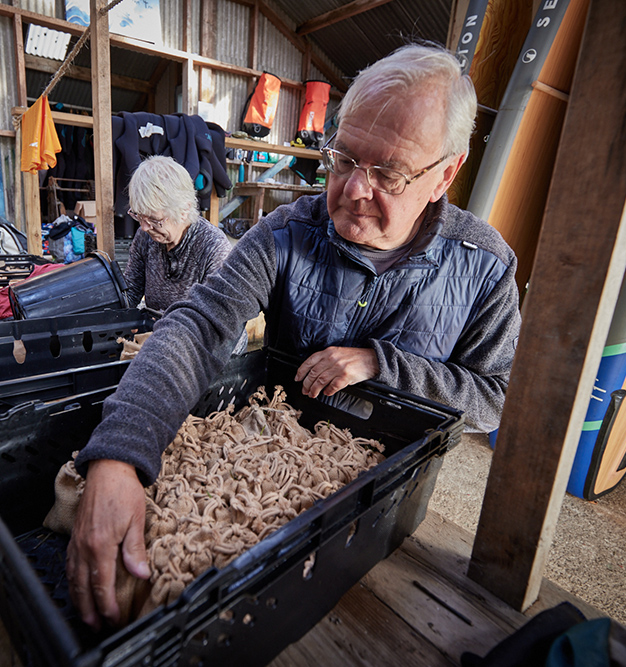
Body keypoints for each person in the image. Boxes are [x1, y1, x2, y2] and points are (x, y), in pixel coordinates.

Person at [64, 42, 523, 630]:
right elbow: (200, 325)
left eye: (389, 173)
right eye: (344, 159)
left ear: (445, 175)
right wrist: (119, 456)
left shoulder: (483, 266)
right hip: (281, 444)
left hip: (388, 506)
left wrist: (381, 364)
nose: (356, 189)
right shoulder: (287, 231)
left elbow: (491, 399)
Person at [122, 155, 234, 314]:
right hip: (158, 330)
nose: (144, 227)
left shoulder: (213, 248)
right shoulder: (145, 237)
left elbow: (217, 320)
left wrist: (164, 336)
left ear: (184, 210)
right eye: (139, 216)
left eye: (155, 219)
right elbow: (130, 293)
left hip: (194, 336)